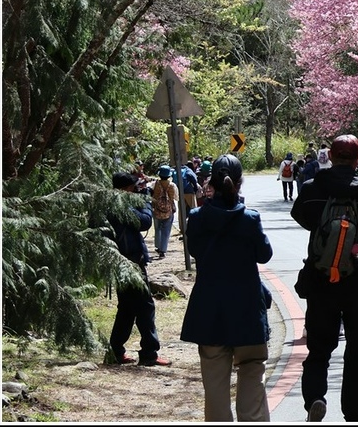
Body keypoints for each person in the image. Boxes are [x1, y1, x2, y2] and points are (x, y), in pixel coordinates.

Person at [291, 135, 358, 423]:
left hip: (321, 280)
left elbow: (302, 217)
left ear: (330, 157)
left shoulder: (312, 190)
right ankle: (354, 411)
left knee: (318, 349)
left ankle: (315, 398)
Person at [180, 154, 273, 421]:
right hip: (247, 311)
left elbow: (195, 249)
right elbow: (264, 254)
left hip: (210, 311)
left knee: (215, 383)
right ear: (239, 182)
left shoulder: (197, 218)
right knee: (253, 370)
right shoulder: (250, 219)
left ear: (211, 184)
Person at [106, 173, 170, 367]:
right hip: (131, 260)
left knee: (126, 309)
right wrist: (145, 201)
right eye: (133, 188)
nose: (135, 190)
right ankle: (149, 353)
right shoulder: (121, 205)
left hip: (119, 260)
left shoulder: (107, 203)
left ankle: (115, 351)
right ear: (125, 188)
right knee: (145, 306)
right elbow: (144, 221)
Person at [150, 165, 178, 258]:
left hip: (156, 209)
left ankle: (158, 246)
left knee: (157, 229)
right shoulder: (172, 185)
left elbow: (151, 196)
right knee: (166, 230)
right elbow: (176, 198)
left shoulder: (154, 184)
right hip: (168, 210)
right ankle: (163, 250)